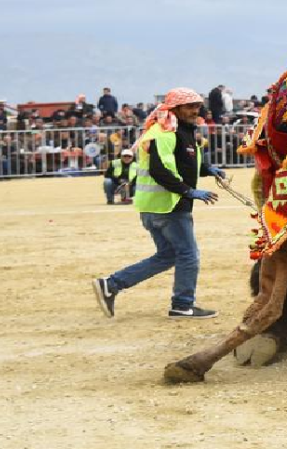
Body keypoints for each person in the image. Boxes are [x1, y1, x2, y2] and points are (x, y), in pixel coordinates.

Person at [92, 88, 225, 320]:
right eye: (189, 106)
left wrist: (207, 169)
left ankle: (111, 285)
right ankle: (183, 305)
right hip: (168, 206)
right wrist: (188, 191)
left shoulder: (180, 131)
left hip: (156, 207)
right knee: (188, 255)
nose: (195, 110)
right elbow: (159, 169)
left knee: (168, 255)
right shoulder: (164, 134)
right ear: (174, 109)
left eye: (197, 106)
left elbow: (184, 162)